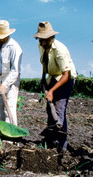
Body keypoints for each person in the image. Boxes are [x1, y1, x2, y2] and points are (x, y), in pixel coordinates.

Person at [33, 21, 77, 152]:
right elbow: (45, 64)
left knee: (59, 110)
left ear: (50, 38)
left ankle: (61, 146)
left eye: (43, 39)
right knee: (50, 110)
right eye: (39, 39)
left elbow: (65, 75)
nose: (41, 42)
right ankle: (51, 141)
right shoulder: (41, 46)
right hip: (52, 77)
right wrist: (43, 80)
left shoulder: (60, 50)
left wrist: (51, 90)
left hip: (65, 80)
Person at [0, 20, 22, 126]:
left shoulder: (14, 47)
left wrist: (5, 84)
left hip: (12, 80)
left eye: (1, 36)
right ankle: (1, 132)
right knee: (0, 107)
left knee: (9, 109)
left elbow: (15, 70)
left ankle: (10, 136)